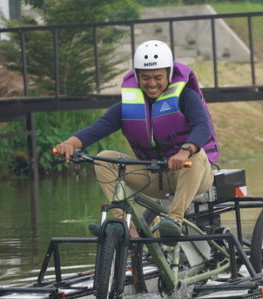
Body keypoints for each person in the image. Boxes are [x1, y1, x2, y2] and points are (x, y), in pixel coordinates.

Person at [55, 40, 219, 237]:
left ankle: (174, 220)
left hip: (192, 174)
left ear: (168, 74)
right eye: (145, 78)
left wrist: (184, 151)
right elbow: (96, 130)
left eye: (158, 77)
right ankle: (123, 225)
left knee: (197, 155)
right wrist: (69, 144)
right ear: (136, 76)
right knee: (103, 158)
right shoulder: (126, 107)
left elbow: (203, 127)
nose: (152, 84)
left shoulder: (186, 97)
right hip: (154, 176)